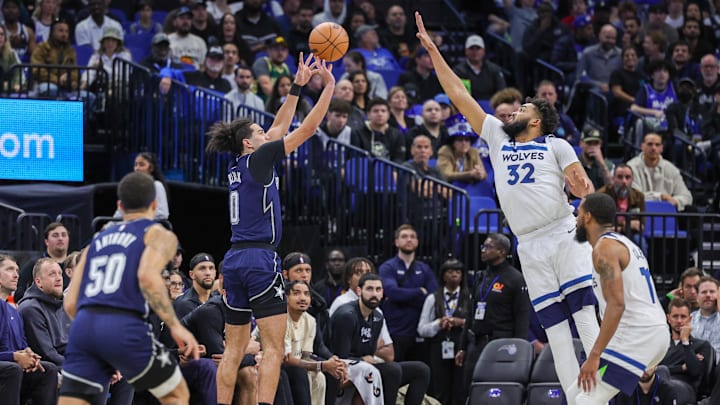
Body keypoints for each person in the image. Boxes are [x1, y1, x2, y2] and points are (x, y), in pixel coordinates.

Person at [415, 11, 600, 403]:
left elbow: (580, 182)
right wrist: (434, 52)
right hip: (528, 244)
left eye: (523, 109)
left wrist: (582, 184)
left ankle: (604, 392)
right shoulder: (498, 137)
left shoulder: (556, 144)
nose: (512, 112)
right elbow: (459, 96)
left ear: (538, 121)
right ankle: (577, 398)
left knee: (582, 313)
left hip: (561, 232)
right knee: (553, 329)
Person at [206, 53, 335, 405]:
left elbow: (278, 127)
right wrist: (328, 90)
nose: (268, 134)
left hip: (232, 260)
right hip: (260, 259)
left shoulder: (239, 163)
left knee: (233, 349)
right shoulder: (261, 158)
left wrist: (296, 85)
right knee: (274, 347)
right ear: (250, 142)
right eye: (259, 133)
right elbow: (305, 130)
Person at [58, 172, 200, 405]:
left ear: (120, 206)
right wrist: (175, 326)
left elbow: (71, 301)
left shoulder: (98, 239)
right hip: (123, 325)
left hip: (84, 327)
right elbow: (147, 275)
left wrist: (98, 338)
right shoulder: (158, 233)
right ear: (155, 204)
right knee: (176, 394)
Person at [571, 193, 669, 404]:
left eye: (578, 213)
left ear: (588, 217)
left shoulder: (604, 249)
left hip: (639, 335)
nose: (576, 218)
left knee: (585, 400)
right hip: (645, 333)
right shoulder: (623, 243)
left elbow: (617, 305)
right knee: (574, 393)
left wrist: (595, 354)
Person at [329, 273, 430, 405]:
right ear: (359, 291)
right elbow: (340, 357)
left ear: (383, 293)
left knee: (421, 370)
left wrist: (366, 358)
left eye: (378, 290)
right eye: (369, 289)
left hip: (365, 367)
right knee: (392, 370)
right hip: (343, 368)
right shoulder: (347, 316)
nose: (374, 294)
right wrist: (361, 359)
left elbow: (370, 353)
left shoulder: (377, 316)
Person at [455, 233, 529, 402]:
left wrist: (518, 352)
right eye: (483, 246)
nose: (483, 250)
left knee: (497, 393)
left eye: (488, 247)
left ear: (502, 252)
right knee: (471, 390)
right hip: (476, 344)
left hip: (500, 345)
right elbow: (471, 313)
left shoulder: (515, 279)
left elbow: (522, 318)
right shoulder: (481, 276)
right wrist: (463, 346)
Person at [0, 254, 59, 405]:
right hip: (9, 368)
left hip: (14, 368)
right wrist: (14, 357)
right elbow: (14, 356)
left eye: (17, 270)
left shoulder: (14, 310)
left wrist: (30, 356)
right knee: (12, 369)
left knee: (48, 370)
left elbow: (23, 345)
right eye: (9, 269)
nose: (16, 275)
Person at [379, 224, 438, 363]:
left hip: (418, 330)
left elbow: (433, 296)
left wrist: (402, 295)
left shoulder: (424, 269)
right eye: (404, 236)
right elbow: (392, 292)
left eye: (412, 237)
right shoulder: (388, 267)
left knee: (420, 373)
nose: (409, 239)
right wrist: (419, 291)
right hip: (395, 331)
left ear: (417, 242)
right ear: (396, 242)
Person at [417, 258, 469, 405]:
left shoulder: (469, 297)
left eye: (458, 272)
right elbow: (421, 329)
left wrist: (461, 322)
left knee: (461, 388)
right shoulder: (432, 298)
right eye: (450, 271)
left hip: (462, 347)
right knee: (440, 389)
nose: (454, 275)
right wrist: (438, 324)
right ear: (443, 275)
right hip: (438, 348)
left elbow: (477, 326)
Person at [660, 298, 712, 397]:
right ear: (668, 318)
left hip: (685, 388)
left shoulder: (701, 345)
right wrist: (681, 367)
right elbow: (653, 370)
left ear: (690, 319)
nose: (679, 321)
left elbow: (695, 372)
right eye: (675, 316)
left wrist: (685, 342)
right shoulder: (660, 344)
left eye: (683, 317)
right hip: (659, 385)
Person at [16, 222, 70, 301]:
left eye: (64, 235)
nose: (60, 238)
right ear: (46, 241)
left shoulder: (76, 263)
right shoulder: (35, 264)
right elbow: (19, 290)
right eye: (55, 235)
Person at [614, 365, 679, 405]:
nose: (644, 370)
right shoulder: (625, 390)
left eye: (649, 365)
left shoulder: (668, 390)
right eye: (640, 365)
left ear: (656, 365)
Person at [691, 277, 720, 361]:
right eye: (704, 292)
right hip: (697, 368)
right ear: (697, 297)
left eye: (712, 291)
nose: (708, 295)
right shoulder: (689, 320)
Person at [577, 127, 614, 191]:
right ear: (581, 144)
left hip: (602, 199)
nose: (592, 147)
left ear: (600, 145)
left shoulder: (609, 165)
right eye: (589, 143)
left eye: (596, 143)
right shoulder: (575, 163)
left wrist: (602, 164)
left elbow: (611, 188)